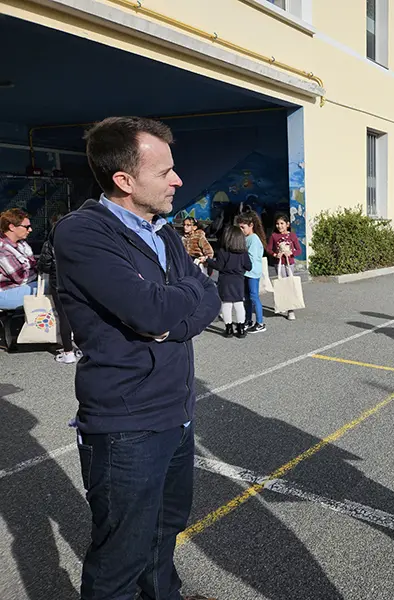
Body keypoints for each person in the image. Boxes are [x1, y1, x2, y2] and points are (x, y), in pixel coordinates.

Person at [53, 116, 220, 600]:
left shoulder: (163, 230)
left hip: (176, 412)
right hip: (127, 423)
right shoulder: (83, 233)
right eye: (165, 171)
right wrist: (170, 309)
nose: (178, 180)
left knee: (166, 530)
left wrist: (173, 316)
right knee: (120, 555)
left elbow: (202, 298)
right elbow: (150, 311)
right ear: (124, 181)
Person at [38, 214, 81, 363]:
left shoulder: (50, 242)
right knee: (80, 314)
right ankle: (83, 348)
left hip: (59, 282)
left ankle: (68, 352)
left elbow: (44, 265)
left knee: (64, 316)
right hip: (79, 282)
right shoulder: (80, 240)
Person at [201, 225, 251, 339]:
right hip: (238, 281)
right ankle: (241, 328)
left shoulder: (223, 252)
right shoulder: (243, 253)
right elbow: (249, 266)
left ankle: (228, 329)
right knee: (239, 304)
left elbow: (218, 266)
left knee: (226, 305)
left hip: (225, 281)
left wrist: (208, 261)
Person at [0, 208, 39, 310]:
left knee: (53, 283)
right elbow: (21, 278)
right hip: (4, 293)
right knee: (51, 287)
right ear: (12, 227)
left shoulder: (21, 243)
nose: (30, 230)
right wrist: (41, 272)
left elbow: (32, 264)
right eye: (27, 227)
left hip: (17, 287)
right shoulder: (2, 248)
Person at [266, 212, 302, 321]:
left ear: (287, 224)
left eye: (282, 223)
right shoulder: (274, 236)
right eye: (277, 224)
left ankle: (291, 310)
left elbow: (299, 250)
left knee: (289, 284)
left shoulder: (292, 236)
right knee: (281, 284)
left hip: (289, 263)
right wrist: (275, 254)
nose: (279, 226)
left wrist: (291, 253)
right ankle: (282, 304)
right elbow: (268, 249)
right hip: (279, 264)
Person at [236, 211, 267, 333]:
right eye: (240, 227)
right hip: (246, 273)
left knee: (254, 297)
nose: (241, 230)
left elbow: (251, 258)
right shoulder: (247, 238)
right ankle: (248, 320)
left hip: (252, 273)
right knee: (247, 298)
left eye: (243, 227)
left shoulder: (254, 239)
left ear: (251, 225)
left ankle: (260, 323)